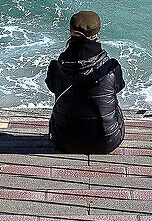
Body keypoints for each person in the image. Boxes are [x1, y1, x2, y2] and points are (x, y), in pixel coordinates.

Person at [45, 10, 126, 154]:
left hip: (64, 141)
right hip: (107, 142)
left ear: (70, 32)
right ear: (97, 33)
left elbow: (53, 88)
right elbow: (118, 88)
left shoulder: (56, 68)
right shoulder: (112, 67)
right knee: (113, 104)